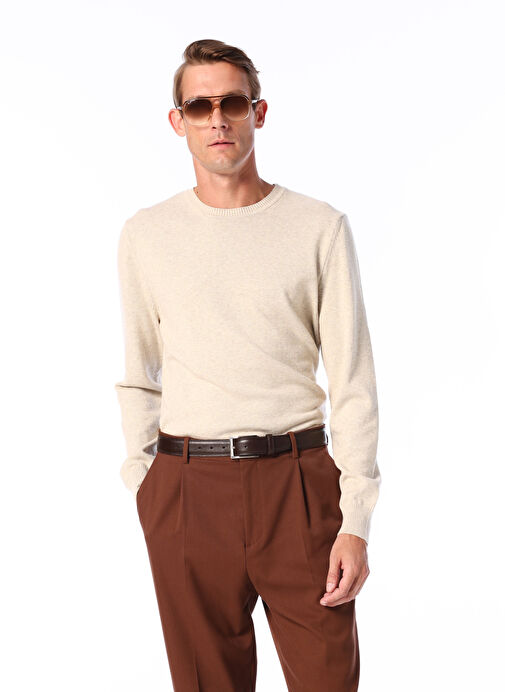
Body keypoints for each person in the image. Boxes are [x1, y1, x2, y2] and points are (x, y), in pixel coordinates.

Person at [114, 38, 381, 692]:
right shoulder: (147, 234)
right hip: (186, 490)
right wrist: (147, 484)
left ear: (258, 112)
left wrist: (355, 520)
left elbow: (352, 382)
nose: (217, 120)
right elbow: (138, 371)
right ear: (178, 121)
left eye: (232, 103)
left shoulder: (318, 227)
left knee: (327, 679)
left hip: (298, 485)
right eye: (199, 106)